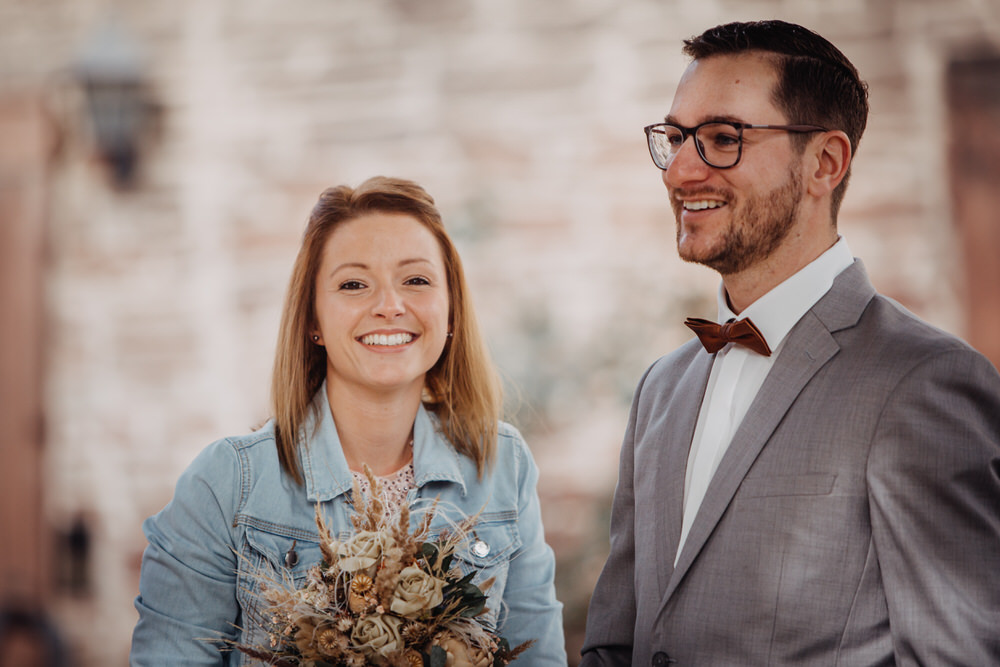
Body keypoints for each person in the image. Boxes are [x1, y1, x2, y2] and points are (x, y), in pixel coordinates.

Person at [581, 19, 1000, 666]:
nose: (681, 171)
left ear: (824, 164)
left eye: (722, 138)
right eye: (675, 138)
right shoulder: (660, 388)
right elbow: (616, 643)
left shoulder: (925, 382)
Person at [130, 176, 567, 665]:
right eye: (354, 284)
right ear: (313, 320)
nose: (388, 306)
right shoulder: (226, 484)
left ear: (451, 314)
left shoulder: (502, 466)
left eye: (416, 280)